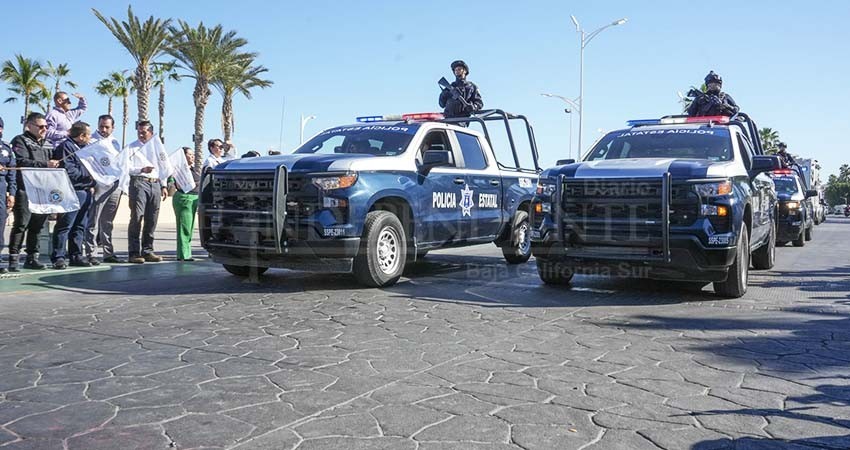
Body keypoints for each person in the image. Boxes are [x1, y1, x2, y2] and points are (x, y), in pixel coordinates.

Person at [8, 113, 58, 271]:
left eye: (46, 126)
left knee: (38, 225)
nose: (44, 129)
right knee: (21, 224)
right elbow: (21, 161)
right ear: (29, 126)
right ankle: (13, 258)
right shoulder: (20, 140)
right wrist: (45, 164)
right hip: (24, 188)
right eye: (41, 126)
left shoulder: (48, 143)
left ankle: (32, 257)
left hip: (42, 190)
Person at [51, 122, 96, 269]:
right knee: (65, 224)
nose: (90, 138)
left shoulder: (85, 148)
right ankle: (58, 256)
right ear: (81, 136)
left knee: (80, 225)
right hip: (71, 191)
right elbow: (69, 171)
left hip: (85, 191)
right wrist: (89, 175)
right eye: (88, 135)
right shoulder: (66, 147)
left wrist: (93, 179)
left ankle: (76, 255)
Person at [126, 120, 167, 264]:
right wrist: (141, 169)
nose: (141, 135)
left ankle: (148, 250)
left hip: (155, 183)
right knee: (137, 217)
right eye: (139, 132)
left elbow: (163, 167)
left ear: (151, 132)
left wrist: (164, 185)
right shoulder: (131, 147)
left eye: (144, 132)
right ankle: (134, 252)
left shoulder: (157, 147)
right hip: (139, 182)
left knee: (152, 218)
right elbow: (126, 167)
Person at [85, 114, 124, 264]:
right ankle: (91, 253)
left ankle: (108, 253)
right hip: (99, 185)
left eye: (107, 127)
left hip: (114, 185)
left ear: (113, 128)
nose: (103, 129)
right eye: (101, 126)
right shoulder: (91, 141)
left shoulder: (115, 142)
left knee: (107, 222)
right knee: (93, 221)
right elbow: (87, 164)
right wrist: (92, 184)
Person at [169, 147, 200, 262]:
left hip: (195, 198)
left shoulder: (193, 169)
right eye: (189, 155)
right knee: (184, 227)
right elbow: (175, 182)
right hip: (185, 198)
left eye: (193, 155)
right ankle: (183, 254)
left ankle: (187, 252)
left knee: (190, 227)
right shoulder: (178, 170)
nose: (192, 157)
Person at [0, 117, 16, 274]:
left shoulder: (6, 148)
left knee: (0, 222)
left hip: (1, 187)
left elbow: (12, 173)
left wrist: (12, 193)